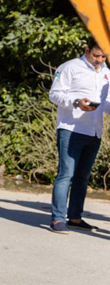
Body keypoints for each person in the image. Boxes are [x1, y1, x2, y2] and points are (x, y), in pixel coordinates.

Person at [47, 37, 109, 233]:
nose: (100, 59)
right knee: (66, 174)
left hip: (95, 130)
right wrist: (76, 101)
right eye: (96, 55)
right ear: (86, 49)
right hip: (71, 128)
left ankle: (75, 217)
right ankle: (58, 219)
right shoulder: (69, 67)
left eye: (103, 56)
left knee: (83, 177)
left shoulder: (107, 72)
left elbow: (106, 103)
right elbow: (54, 94)